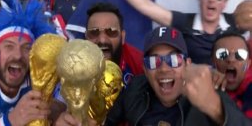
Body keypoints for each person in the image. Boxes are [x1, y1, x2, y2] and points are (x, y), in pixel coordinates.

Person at [104, 26, 252, 125]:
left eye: (174, 60)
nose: (163, 68)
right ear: (144, 68)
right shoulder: (135, 88)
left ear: (187, 64)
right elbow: (107, 121)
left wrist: (214, 107)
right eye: (154, 61)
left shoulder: (209, 93)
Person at [102, 0, 237, 65]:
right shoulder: (186, 22)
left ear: (224, 4)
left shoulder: (235, 24)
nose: (212, 0)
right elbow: (147, 7)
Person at [211, 31, 252, 119]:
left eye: (240, 55)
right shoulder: (204, 89)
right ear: (213, 62)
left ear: (248, 63)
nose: (231, 59)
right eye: (222, 54)